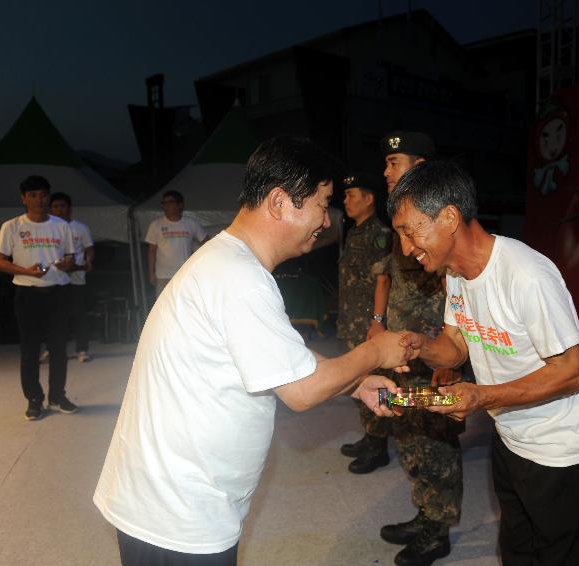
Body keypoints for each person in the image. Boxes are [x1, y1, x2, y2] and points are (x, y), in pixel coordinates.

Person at [93, 136, 410, 566]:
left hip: (173, 502)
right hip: (178, 517)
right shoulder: (239, 277)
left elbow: (281, 358)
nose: (326, 219)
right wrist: (376, 352)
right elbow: (301, 391)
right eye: (322, 202)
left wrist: (354, 385)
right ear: (281, 202)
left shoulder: (229, 263)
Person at [391, 161, 579, 566]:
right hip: (510, 438)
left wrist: (480, 396)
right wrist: (418, 345)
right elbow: (456, 344)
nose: (406, 247)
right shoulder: (454, 273)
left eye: (410, 230)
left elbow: (571, 372)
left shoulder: (527, 276)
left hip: (561, 450)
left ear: (450, 217)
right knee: (517, 550)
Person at [367, 131, 464, 566]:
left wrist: (453, 359)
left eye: (395, 161)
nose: (386, 171)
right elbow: (390, 273)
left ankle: (438, 527)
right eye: (385, 163)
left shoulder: (437, 218)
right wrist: (378, 324)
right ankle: (423, 510)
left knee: (436, 438)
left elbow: (456, 285)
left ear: (420, 165)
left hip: (433, 351)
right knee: (407, 431)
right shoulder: (399, 216)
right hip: (401, 352)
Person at [0, 175, 77, 420]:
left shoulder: (62, 226)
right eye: (33, 195)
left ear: (48, 196)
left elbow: (70, 260)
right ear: (23, 199)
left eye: (43, 194)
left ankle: (58, 396)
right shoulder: (12, 227)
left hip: (58, 293)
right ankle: (34, 399)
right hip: (27, 294)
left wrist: (66, 264)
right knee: (30, 350)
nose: (39, 200)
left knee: (59, 349)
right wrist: (26, 271)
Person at [336, 172, 393, 473]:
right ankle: (369, 436)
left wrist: (377, 322)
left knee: (376, 382)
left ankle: (379, 446)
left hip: (368, 326)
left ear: (369, 199)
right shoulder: (355, 231)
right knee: (358, 383)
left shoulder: (379, 233)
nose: (345, 201)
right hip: (352, 322)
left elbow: (383, 280)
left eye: (351, 195)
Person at [49, 192, 95, 362]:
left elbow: (89, 249)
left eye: (62, 206)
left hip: (76, 276)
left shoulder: (80, 228)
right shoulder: (49, 227)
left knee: (79, 314)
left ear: (69, 208)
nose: (58, 209)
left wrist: (88, 261)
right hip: (56, 277)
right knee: (55, 316)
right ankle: (52, 349)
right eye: (54, 206)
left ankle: (82, 349)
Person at [145, 190, 208, 298]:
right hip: (163, 275)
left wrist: (200, 262)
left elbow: (207, 242)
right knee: (163, 308)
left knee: (185, 305)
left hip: (184, 275)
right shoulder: (156, 225)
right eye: (164, 203)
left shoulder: (190, 223)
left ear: (180, 205)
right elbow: (152, 251)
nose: (166, 206)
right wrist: (151, 273)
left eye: (169, 202)